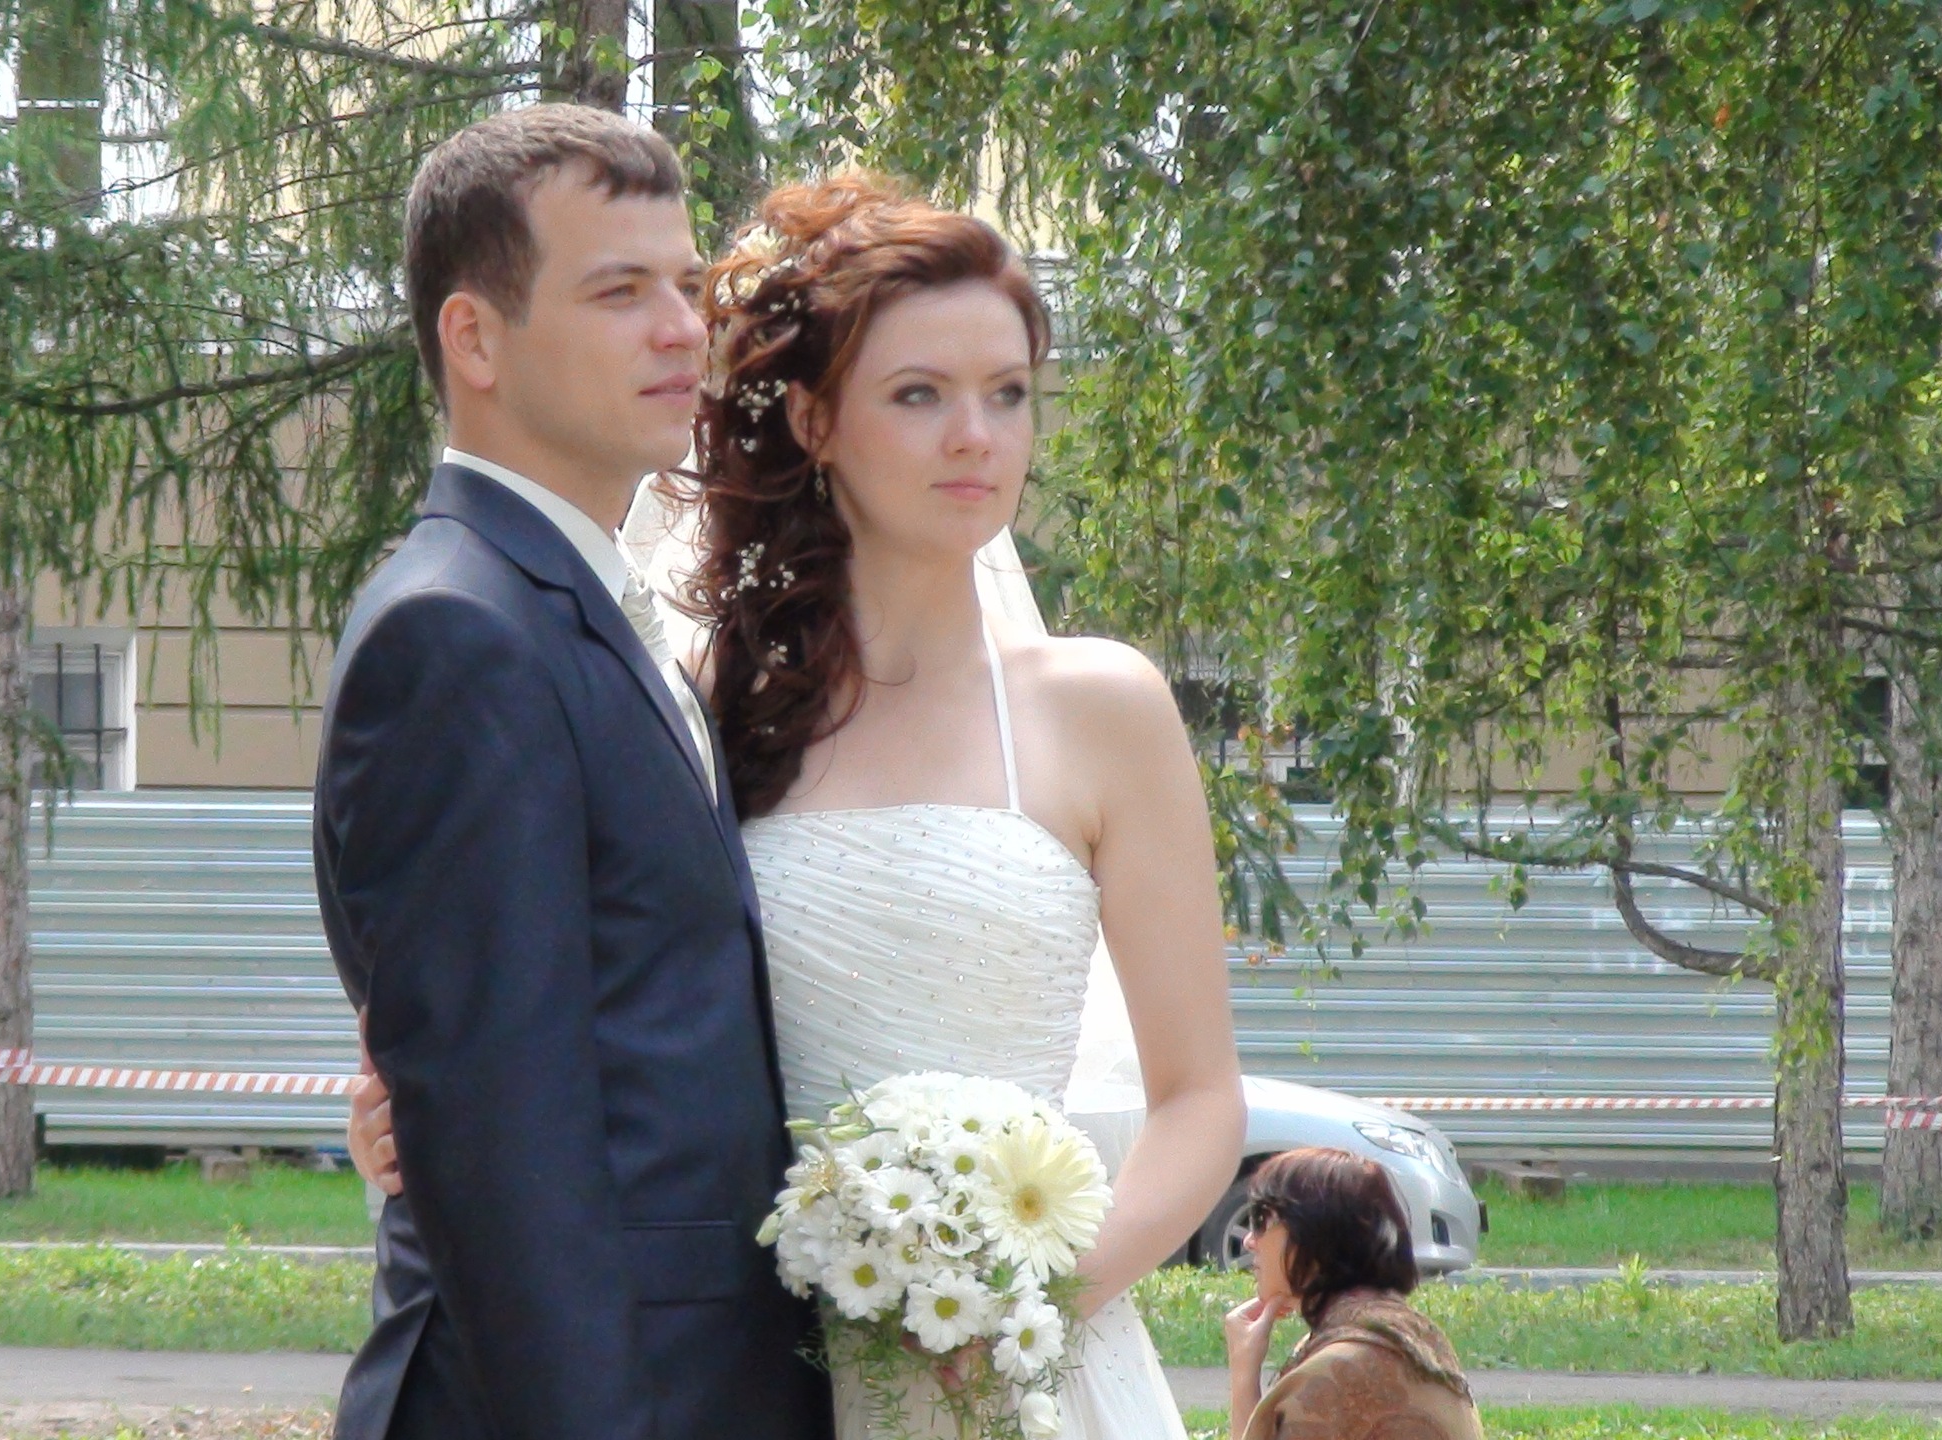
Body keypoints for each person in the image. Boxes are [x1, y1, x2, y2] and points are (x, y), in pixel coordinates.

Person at [354, 171, 1246, 1439]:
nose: (975, 438)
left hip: (1030, 1365)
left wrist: (1019, 1306)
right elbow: (555, 995)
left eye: (1007, 394)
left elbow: (1201, 1099)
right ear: (817, 420)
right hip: (754, 1370)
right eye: (918, 394)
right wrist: (405, 1108)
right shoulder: (692, 704)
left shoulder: (1106, 709)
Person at [312, 105, 830, 1440]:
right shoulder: (457, 635)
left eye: (685, 285)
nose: (682, 329)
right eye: (619, 292)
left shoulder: (582, 606)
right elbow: (504, 1155)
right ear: (474, 339)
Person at [1223, 1149, 1484, 1440]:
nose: (1249, 1241)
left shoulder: (1339, 1369)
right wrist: (1245, 1362)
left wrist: (1243, 1378)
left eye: (1261, 1221)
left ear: (1311, 1232)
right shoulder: (1410, 1336)